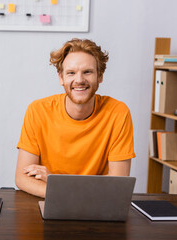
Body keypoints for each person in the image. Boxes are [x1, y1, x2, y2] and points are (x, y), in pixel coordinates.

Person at [15, 38, 135, 198]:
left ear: (100, 76)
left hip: (95, 207)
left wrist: (55, 182)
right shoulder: (38, 111)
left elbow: (118, 183)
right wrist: (72, 192)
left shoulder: (118, 113)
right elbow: (22, 179)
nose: (79, 80)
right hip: (65, 201)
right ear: (61, 78)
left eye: (87, 72)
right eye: (71, 73)